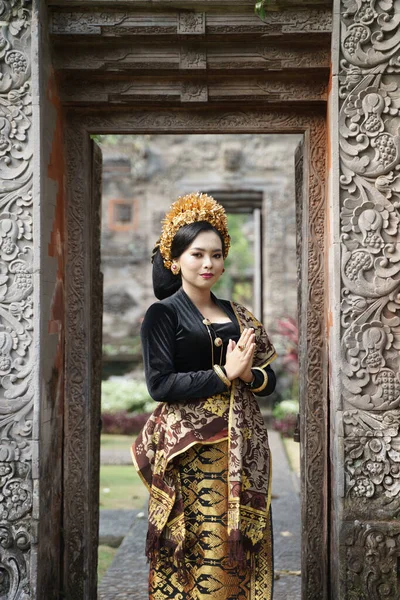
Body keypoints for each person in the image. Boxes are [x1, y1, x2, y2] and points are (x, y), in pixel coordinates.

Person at [131, 192, 277, 600]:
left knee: (240, 553)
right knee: (197, 551)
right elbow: (160, 385)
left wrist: (248, 375)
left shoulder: (239, 314)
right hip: (190, 457)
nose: (208, 263)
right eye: (197, 254)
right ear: (175, 260)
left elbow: (269, 379)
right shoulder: (163, 315)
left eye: (216, 254)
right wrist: (223, 375)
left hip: (242, 451)